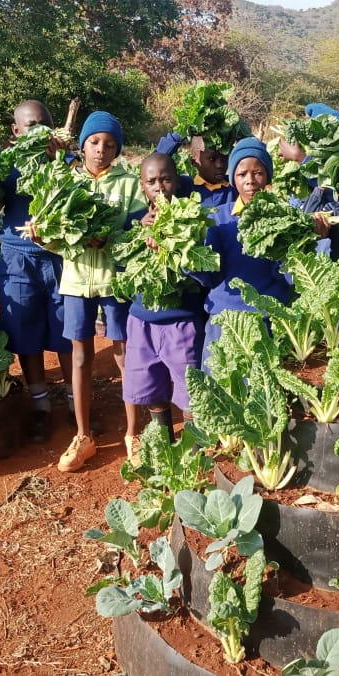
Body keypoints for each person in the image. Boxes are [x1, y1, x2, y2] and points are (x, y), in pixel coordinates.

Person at [47, 111, 145, 473]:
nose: (101, 149)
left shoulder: (129, 184)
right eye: (94, 142)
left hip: (115, 281)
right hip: (75, 281)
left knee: (124, 353)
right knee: (80, 356)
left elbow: (135, 232)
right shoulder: (68, 182)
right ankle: (84, 435)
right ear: (83, 145)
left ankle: (133, 434)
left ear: (117, 149)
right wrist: (47, 237)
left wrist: (111, 239)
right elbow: (57, 235)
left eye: (109, 144)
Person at [192, 137, 327, 363]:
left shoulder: (285, 217)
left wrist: (314, 240)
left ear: (268, 178)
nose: (250, 181)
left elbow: (291, 276)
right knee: (219, 392)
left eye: (258, 173)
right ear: (233, 179)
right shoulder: (216, 218)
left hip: (269, 322)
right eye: (242, 174)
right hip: (225, 323)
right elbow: (208, 277)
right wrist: (188, 253)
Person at [0, 100, 73, 444]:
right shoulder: (2, 165)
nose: (38, 131)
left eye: (44, 123)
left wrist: (59, 160)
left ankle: (75, 403)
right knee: (25, 332)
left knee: (67, 331)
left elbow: (78, 191)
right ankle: (41, 405)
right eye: (30, 125)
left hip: (58, 257)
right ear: (16, 131)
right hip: (17, 259)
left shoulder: (67, 161)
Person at [121, 153, 206, 459]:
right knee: (150, 386)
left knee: (190, 389)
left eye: (166, 179)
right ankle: (165, 443)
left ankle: (195, 450)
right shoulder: (137, 220)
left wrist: (172, 239)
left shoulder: (193, 217)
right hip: (142, 319)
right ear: (142, 185)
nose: (160, 187)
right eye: (152, 181)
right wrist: (140, 231)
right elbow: (121, 256)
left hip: (182, 319)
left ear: (178, 180)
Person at [177, 134, 234, 208]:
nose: (219, 165)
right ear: (194, 161)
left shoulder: (235, 185)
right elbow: (158, 166)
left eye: (224, 157)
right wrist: (182, 132)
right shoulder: (185, 186)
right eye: (212, 159)